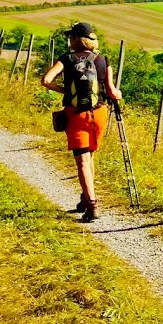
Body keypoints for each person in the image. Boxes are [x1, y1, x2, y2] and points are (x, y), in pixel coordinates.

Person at [40, 22, 122, 222]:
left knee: (82, 161)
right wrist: (118, 95)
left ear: (76, 39)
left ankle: (92, 205)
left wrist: (65, 91)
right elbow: (112, 91)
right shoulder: (103, 60)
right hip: (99, 114)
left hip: (75, 114)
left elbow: (46, 80)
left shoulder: (66, 59)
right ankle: (86, 198)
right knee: (90, 156)